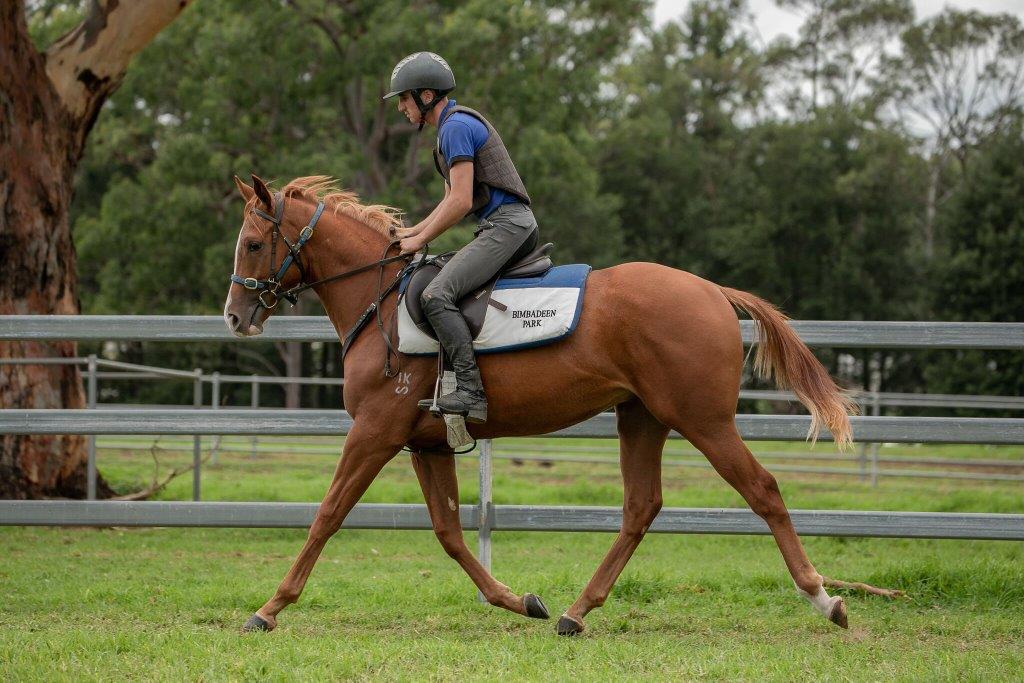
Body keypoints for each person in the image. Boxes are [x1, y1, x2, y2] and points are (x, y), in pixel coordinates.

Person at [383, 52, 539, 424]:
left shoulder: (454, 128)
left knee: (436, 295)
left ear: (425, 95)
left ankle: (470, 390)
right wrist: (414, 230)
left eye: (404, 99)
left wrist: (419, 241)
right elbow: (449, 199)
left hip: (509, 226)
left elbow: (460, 199)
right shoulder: (450, 128)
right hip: (500, 226)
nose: (401, 108)